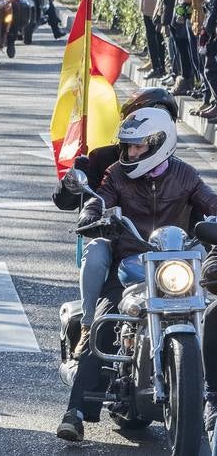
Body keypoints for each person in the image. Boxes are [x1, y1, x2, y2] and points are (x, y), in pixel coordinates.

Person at [56, 107, 217, 442]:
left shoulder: (185, 175)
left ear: (160, 142)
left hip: (176, 266)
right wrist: (93, 214)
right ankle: (75, 412)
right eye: (128, 146)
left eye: (138, 147)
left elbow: (210, 201)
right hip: (130, 264)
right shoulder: (115, 173)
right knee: (106, 319)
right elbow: (100, 200)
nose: (130, 153)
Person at [51, 87, 178, 334]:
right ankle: (88, 327)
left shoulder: (179, 169)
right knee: (94, 358)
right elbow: (68, 202)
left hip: (172, 263)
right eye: (147, 113)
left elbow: (204, 208)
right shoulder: (105, 160)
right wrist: (76, 176)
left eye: (164, 115)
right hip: (122, 258)